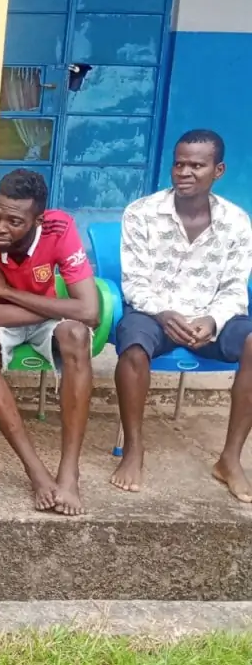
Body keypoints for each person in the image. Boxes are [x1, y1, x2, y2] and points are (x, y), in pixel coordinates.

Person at [112, 129, 252, 502]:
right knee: (133, 345)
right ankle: (134, 449)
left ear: (218, 170)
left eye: (196, 166)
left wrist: (213, 320)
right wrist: (162, 313)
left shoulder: (236, 222)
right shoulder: (141, 213)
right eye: (179, 164)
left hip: (211, 318)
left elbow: (235, 288)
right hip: (155, 314)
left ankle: (230, 459)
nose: (184, 172)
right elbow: (134, 281)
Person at [0, 169, 99, 516]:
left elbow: (89, 310)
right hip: (3, 318)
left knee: (76, 335)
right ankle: (35, 470)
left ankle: (69, 471)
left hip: (33, 313)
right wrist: (54, 308)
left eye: (14, 221)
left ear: (38, 220)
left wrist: (9, 293)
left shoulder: (59, 228)